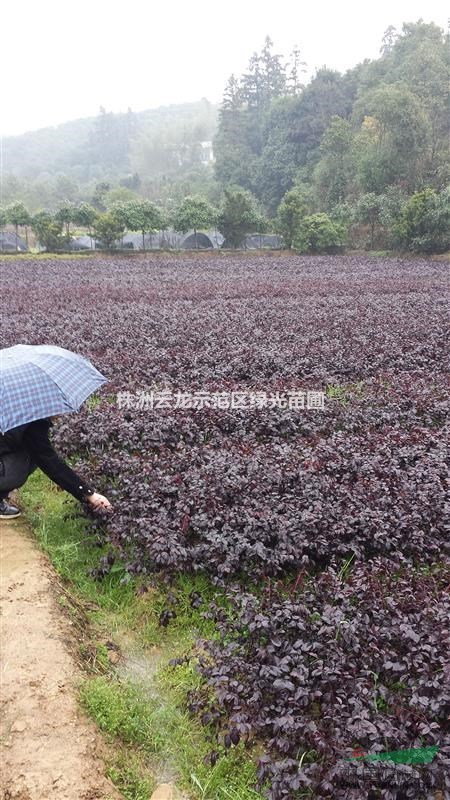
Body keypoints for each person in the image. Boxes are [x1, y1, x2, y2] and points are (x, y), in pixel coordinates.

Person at [0, 417, 111, 519]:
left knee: (31, 453)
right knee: (29, 457)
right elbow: (51, 464)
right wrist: (89, 494)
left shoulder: (16, 411)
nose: (63, 415)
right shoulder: (32, 423)